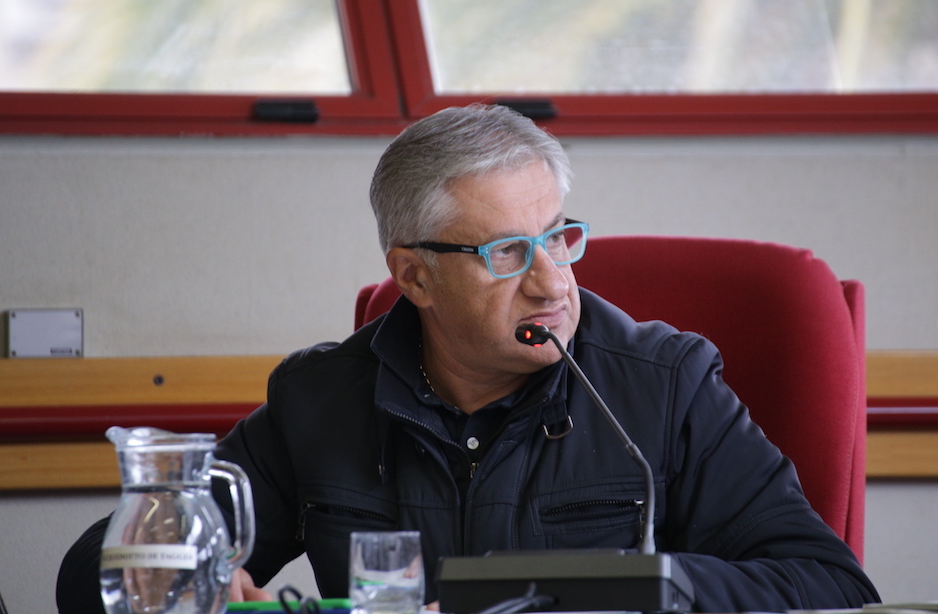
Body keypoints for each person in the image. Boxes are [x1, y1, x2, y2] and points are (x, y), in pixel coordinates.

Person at [57, 104, 879, 613]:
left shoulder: (665, 386)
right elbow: (92, 573)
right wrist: (184, 582)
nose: (553, 281)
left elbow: (830, 584)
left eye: (559, 237)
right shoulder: (322, 401)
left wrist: (637, 592)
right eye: (507, 253)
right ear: (414, 276)